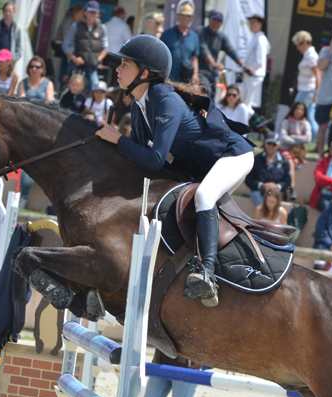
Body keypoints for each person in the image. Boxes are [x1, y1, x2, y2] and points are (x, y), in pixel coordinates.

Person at [94, 35, 255, 308]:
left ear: (144, 73)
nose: (118, 69)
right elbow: (139, 158)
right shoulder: (138, 105)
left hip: (233, 155)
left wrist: (117, 139)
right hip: (202, 164)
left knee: (204, 196)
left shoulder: (166, 101)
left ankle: (207, 273)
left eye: (125, 64)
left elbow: (155, 158)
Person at [196, 11, 243, 101]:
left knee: (213, 98)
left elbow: (230, 50)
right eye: (214, 20)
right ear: (209, 20)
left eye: (218, 21)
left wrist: (242, 64)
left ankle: (209, 114)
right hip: (200, 72)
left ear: (222, 23)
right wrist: (214, 64)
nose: (215, 23)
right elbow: (204, 49)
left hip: (212, 74)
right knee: (206, 91)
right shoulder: (201, 31)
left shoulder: (221, 36)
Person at [64, 0, 108, 89]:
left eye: (95, 12)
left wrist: (98, 59)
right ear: (85, 12)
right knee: (73, 89)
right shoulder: (76, 26)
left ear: (98, 13)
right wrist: (74, 58)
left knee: (96, 89)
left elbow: (105, 48)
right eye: (90, 11)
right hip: (77, 65)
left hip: (92, 66)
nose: (92, 14)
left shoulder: (102, 28)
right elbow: (66, 45)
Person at [159, 2, 199, 86]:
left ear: (191, 19)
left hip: (186, 80)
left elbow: (194, 58)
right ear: (177, 17)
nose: (184, 18)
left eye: (188, 16)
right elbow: (160, 55)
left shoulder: (194, 37)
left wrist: (195, 74)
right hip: (169, 79)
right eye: (182, 15)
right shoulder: (166, 34)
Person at [245, 133, 291, 205]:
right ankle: (266, 213)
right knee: (263, 202)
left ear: (278, 146)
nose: (271, 146)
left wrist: (276, 186)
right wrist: (262, 185)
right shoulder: (257, 159)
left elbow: (287, 182)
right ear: (265, 143)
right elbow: (249, 180)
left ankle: (268, 214)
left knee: (273, 200)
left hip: (276, 193)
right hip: (258, 192)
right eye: (269, 143)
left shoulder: (284, 161)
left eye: (274, 144)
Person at [291, 30, 320, 137]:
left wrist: (316, 93)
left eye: (298, 45)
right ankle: (315, 139)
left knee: (298, 113)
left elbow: (318, 74)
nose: (297, 48)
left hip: (307, 91)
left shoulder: (311, 55)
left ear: (305, 43)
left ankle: (312, 138)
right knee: (309, 115)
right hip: (306, 90)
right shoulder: (308, 54)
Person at [239, 14, 269, 108]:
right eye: (250, 23)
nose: (251, 25)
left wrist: (249, 69)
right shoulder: (256, 38)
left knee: (245, 104)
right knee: (245, 103)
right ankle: (258, 121)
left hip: (253, 76)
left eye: (253, 23)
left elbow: (259, 61)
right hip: (250, 76)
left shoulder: (261, 39)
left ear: (260, 24)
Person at [0, 2, 26, 68]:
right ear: (3, 12)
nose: (7, 13)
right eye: (6, 11)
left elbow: (20, 48)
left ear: (14, 12)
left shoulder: (17, 28)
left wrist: (12, 61)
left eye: (10, 11)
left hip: (9, 64)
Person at [53, 4, 85, 88]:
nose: (83, 16)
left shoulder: (75, 22)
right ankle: (63, 84)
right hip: (62, 47)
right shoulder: (69, 22)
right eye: (82, 13)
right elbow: (66, 39)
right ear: (77, 13)